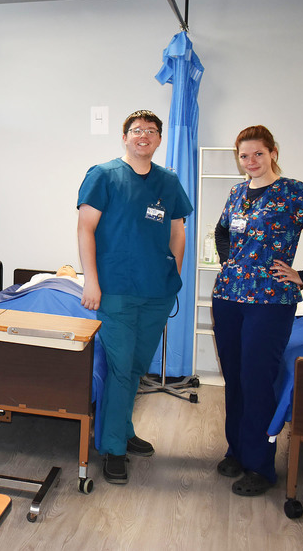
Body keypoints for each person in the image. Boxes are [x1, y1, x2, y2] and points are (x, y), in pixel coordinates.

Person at [211, 125, 303, 496]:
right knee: (236, 378)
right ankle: (237, 451)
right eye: (244, 155)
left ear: (273, 152)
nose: (251, 161)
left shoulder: (292, 192)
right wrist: (229, 263)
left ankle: (260, 467)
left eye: (258, 153)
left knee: (258, 381)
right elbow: (221, 232)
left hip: (270, 302)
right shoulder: (237, 192)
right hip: (227, 298)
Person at [76, 110, 192, 486]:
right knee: (122, 368)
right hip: (116, 291)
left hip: (157, 292)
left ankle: (122, 429)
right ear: (124, 137)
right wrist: (91, 282)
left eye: (152, 131)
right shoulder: (104, 175)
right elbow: (85, 228)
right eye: (137, 130)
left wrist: (172, 274)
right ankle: (112, 448)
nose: (144, 136)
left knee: (137, 367)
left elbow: (178, 231)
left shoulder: (168, 181)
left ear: (159, 140)